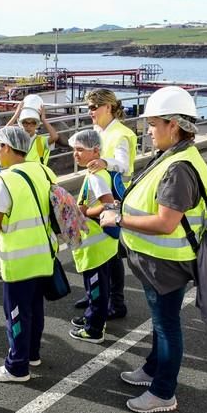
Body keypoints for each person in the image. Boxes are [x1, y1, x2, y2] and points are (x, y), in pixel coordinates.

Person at [100, 86, 207, 413]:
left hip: (167, 263)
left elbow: (166, 223)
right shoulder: (177, 155)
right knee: (160, 322)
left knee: (167, 326)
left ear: (173, 125)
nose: (148, 131)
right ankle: (152, 369)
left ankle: (164, 392)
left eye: (153, 124)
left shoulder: (178, 167)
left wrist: (120, 218)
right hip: (158, 262)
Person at [0, 127, 57, 383]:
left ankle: (17, 366)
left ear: (6, 147)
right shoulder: (44, 170)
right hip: (45, 253)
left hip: (19, 257)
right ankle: (32, 354)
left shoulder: (6, 179)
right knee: (35, 308)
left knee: (16, 312)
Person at [75, 88, 137, 319]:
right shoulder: (96, 131)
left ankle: (116, 302)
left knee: (112, 253)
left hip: (112, 199)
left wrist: (104, 161)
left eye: (93, 107)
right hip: (96, 195)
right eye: (88, 107)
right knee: (99, 250)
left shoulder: (120, 134)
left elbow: (123, 164)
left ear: (108, 107)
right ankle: (95, 295)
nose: (89, 111)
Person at [67, 130, 119, 344]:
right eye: (74, 150)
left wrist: (83, 212)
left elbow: (109, 205)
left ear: (96, 151)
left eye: (80, 150)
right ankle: (93, 317)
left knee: (96, 287)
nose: (75, 154)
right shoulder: (97, 173)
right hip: (102, 243)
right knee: (99, 286)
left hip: (96, 244)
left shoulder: (97, 176)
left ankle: (94, 329)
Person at [6, 94, 58, 165]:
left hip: (36, 174)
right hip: (21, 174)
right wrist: (16, 114)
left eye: (32, 123)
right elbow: (3, 134)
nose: (29, 126)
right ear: (21, 123)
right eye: (25, 123)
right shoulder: (17, 139)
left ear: (36, 125)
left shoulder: (40, 141)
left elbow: (55, 137)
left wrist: (43, 120)